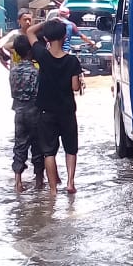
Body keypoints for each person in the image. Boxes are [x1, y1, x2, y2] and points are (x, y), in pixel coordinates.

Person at [25, 16, 83, 196]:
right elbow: (75, 87)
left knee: (49, 152)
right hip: (66, 111)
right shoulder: (73, 61)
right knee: (70, 148)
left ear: (47, 39)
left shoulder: (42, 55)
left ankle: (52, 190)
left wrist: (48, 22)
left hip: (46, 111)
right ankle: (70, 183)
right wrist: (79, 81)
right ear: (65, 37)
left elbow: (29, 31)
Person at [8, 34, 44, 192]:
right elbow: (38, 93)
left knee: (19, 145)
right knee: (37, 146)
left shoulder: (13, 70)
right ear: (30, 51)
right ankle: (38, 181)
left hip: (18, 111)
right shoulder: (35, 72)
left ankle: (18, 181)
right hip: (34, 111)